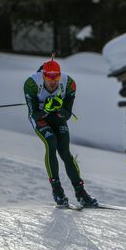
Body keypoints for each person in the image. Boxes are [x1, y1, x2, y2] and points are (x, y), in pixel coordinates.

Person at [24, 59, 97, 207]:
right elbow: (34, 115)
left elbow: (67, 114)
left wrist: (57, 108)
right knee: (51, 142)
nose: (53, 82)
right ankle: (57, 191)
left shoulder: (69, 83)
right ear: (43, 75)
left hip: (56, 117)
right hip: (40, 119)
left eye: (56, 77)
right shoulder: (31, 84)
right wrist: (46, 109)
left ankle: (81, 193)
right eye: (49, 78)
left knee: (65, 153)